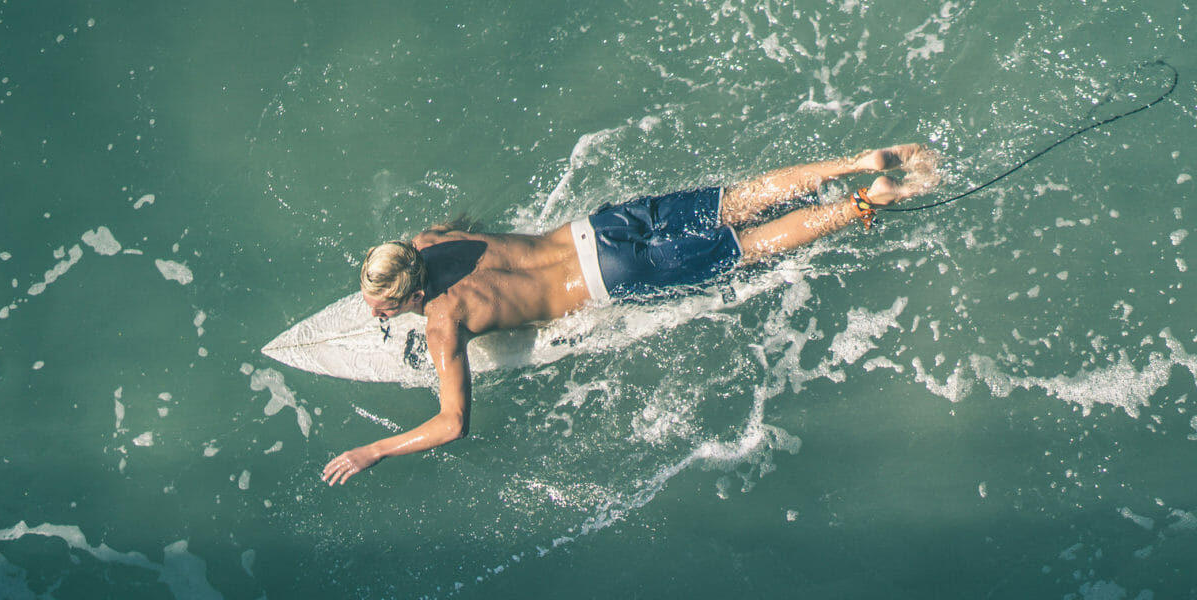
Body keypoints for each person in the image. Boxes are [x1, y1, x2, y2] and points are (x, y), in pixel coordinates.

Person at [320, 144, 940, 485]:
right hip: (601, 229)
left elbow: (453, 422)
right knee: (739, 200)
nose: (377, 308)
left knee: (749, 246)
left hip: (608, 279)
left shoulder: (441, 325)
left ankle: (867, 201)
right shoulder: (433, 240)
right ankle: (855, 162)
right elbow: (466, 225)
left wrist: (375, 450)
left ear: (406, 297)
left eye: (381, 304)